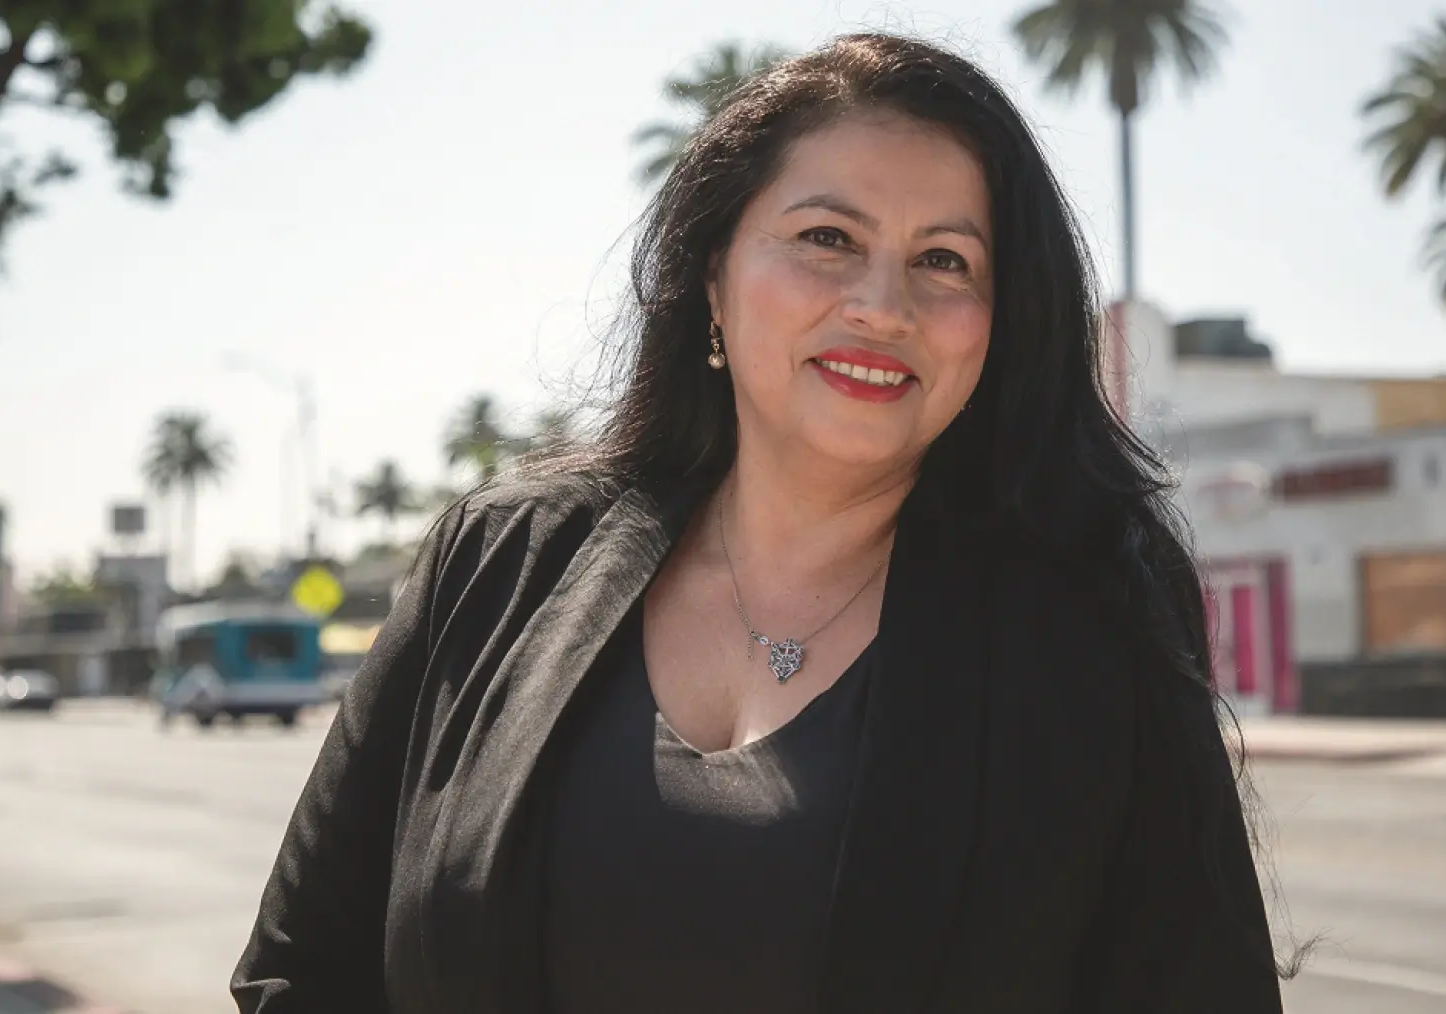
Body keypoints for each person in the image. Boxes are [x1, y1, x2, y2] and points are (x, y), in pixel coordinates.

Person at [231, 32, 1284, 1014]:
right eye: (827, 238)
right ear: (714, 277)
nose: (882, 305)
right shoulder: (495, 564)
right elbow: (301, 969)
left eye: (945, 260)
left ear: (1002, 323)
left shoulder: (1093, 621)